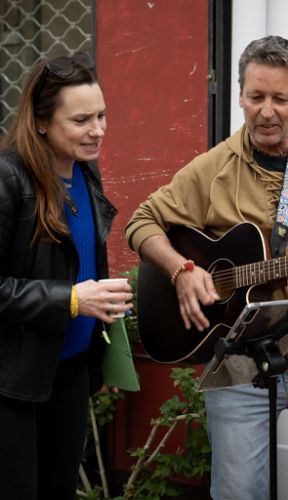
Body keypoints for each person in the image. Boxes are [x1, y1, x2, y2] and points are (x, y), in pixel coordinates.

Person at [126, 35, 288, 500]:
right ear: (240, 96)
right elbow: (142, 222)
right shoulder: (214, 167)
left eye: (280, 99)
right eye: (256, 96)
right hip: (239, 358)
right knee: (237, 493)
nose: (267, 111)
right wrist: (182, 269)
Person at [0, 52, 133, 498]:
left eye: (101, 115)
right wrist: (73, 300)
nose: (97, 130)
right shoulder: (8, 179)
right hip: (12, 383)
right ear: (41, 122)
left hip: (71, 372)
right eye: (80, 120)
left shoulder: (85, 172)